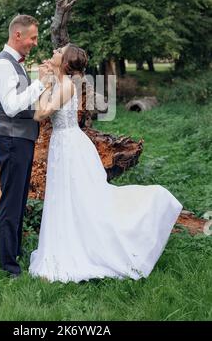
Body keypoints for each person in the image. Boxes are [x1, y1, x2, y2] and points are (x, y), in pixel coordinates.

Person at [29, 43, 183, 283]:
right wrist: (47, 82)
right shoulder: (61, 83)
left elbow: (40, 114)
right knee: (66, 198)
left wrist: (43, 82)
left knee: (80, 199)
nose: (54, 52)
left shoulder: (68, 85)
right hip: (62, 145)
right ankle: (65, 245)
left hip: (69, 146)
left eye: (59, 51)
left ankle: (104, 243)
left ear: (66, 62)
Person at [0, 14, 53, 279]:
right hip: (12, 140)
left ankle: (13, 254)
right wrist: (41, 82)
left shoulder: (15, 64)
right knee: (12, 202)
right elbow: (13, 106)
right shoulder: (3, 66)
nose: (35, 43)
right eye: (33, 37)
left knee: (19, 200)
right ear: (18, 35)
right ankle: (9, 267)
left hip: (20, 140)